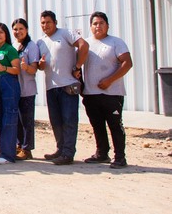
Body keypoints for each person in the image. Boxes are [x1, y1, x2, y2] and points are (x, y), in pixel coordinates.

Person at [37, 10, 89, 165]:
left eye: (48, 22)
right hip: (51, 86)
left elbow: (84, 45)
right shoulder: (41, 42)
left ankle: (68, 153)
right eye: (43, 23)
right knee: (56, 121)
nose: (45, 25)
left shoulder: (66, 34)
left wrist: (77, 66)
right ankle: (60, 149)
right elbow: (40, 66)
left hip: (68, 85)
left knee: (69, 120)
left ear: (55, 22)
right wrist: (40, 65)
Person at [82, 11, 133, 169]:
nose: (98, 26)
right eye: (95, 23)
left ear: (107, 25)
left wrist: (109, 80)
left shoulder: (116, 42)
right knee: (97, 125)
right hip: (91, 93)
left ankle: (120, 157)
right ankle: (102, 153)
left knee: (115, 125)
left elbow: (127, 63)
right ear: (90, 27)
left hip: (112, 94)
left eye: (101, 23)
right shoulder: (86, 44)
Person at [0, 22, 21, 164]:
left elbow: (17, 69)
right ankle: (2, 151)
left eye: (1, 32)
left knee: (9, 118)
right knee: (1, 119)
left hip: (9, 85)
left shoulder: (10, 50)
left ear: (6, 34)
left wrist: (5, 68)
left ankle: (8, 155)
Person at [12, 18, 40, 160]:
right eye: (15, 29)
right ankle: (19, 146)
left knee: (26, 121)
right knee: (17, 120)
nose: (18, 32)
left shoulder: (31, 46)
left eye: (21, 29)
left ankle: (27, 149)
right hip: (15, 89)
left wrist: (26, 67)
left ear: (27, 30)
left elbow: (34, 69)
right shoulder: (13, 46)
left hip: (27, 89)